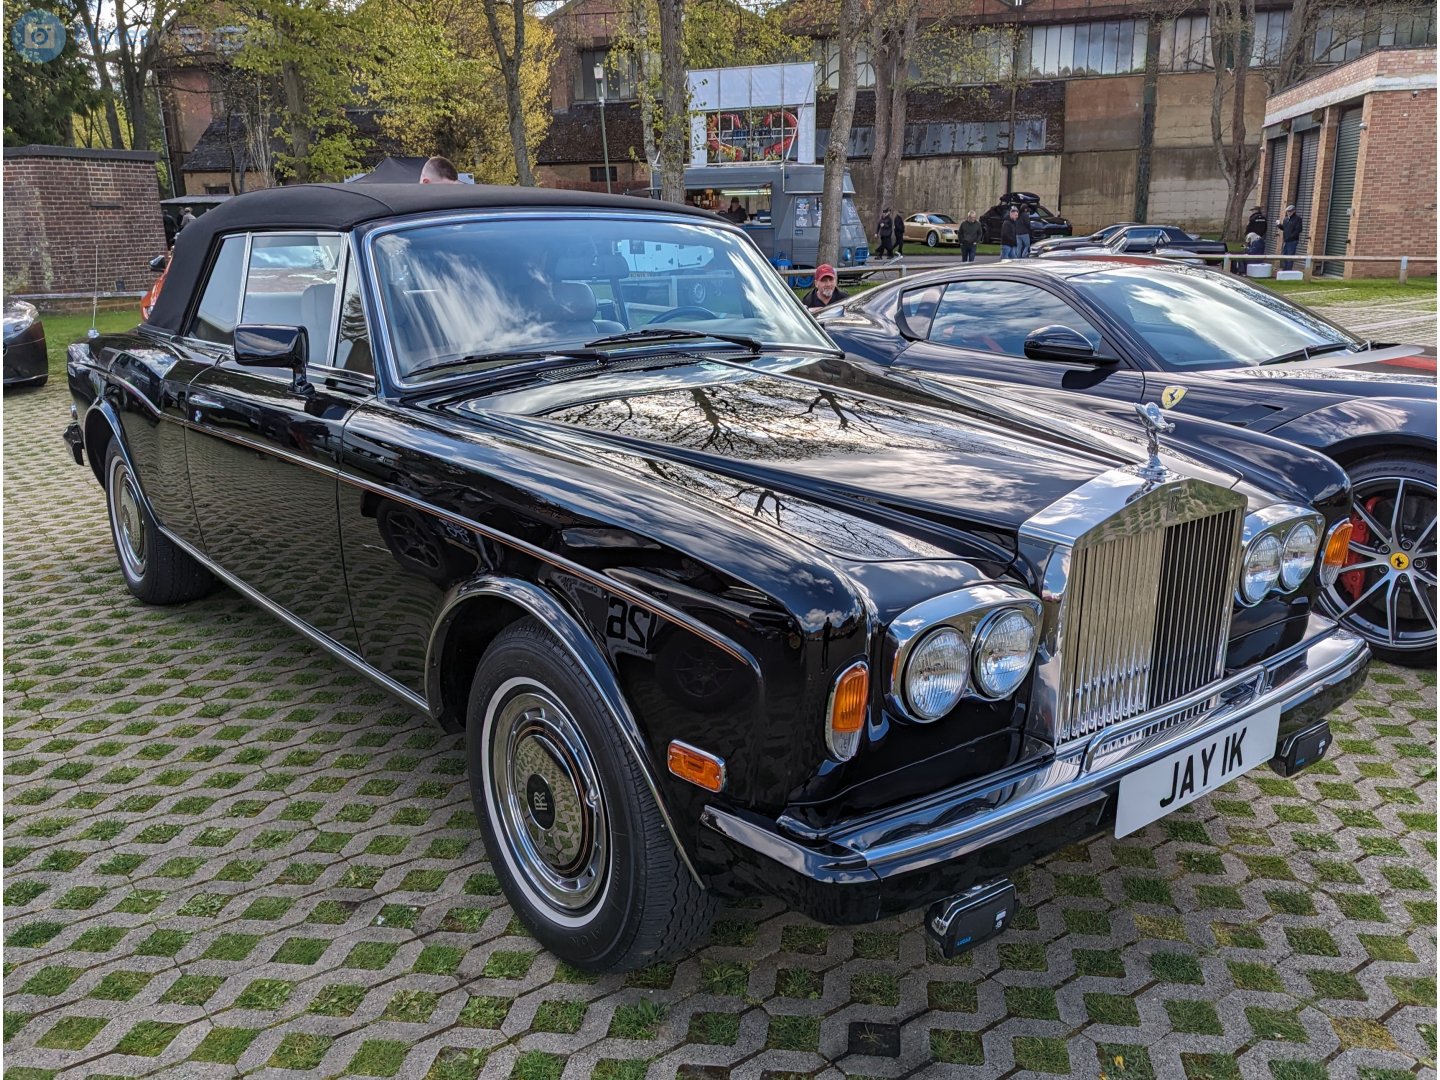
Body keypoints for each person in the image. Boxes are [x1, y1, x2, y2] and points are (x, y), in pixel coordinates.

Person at [1278, 204, 1302, 270]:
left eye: (1290, 211)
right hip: (1286, 240)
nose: (1289, 212)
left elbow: (1299, 229)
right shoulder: (1285, 219)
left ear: (1294, 211)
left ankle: (1288, 269)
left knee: (1290, 255)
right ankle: (1284, 268)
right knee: (1284, 255)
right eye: (1288, 211)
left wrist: (1291, 236)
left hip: (1292, 240)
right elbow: (1284, 228)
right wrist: (1279, 226)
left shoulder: (1297, 219)